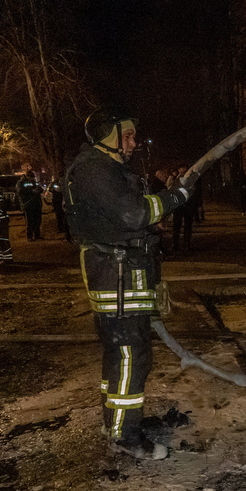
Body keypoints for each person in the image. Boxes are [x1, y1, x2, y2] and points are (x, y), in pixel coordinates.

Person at [64, 106, 196, 460]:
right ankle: (125, 435)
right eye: (128, 136)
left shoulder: (100, 168)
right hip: (118, 278)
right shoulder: (95, 169)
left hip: (120, 274)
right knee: (130, 355)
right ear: (108, 136)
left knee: (120, 354)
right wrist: (176, 197)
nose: (134, 143)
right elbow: (133, 212)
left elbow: (122, 218)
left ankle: (117, 421)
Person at [171, 165, 198, 249]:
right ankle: (177, 243)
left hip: (186, 205)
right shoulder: (176, 179)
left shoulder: (188, 179)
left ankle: (185, 244)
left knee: (185, 225)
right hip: (181, 205)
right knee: (178, 225)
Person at [17, 171, 43, 240]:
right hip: (28, 205)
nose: (32, 179)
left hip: (36, 204)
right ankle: (29, 236)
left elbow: (40, 189)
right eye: (31, 177)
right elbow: (20, 192)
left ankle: (37, 235)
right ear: (27, 176)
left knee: (37, 221)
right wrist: (31, 191)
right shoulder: (21, 183)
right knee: (30, 222)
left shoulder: (34, 182)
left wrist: (38, 189)